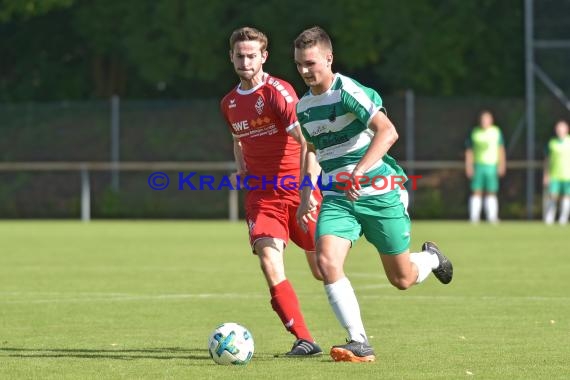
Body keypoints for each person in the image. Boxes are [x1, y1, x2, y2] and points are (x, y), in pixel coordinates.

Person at [293, 26, 453, 363]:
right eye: (299, 65)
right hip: (338, 197)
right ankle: (359, 342)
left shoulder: (348, 90)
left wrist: (360, 170)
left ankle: (432, 258)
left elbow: (388, 131)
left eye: (311, 63)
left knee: (402, 279)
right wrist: (307, 189)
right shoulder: (304, 106)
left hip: (379, 192)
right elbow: (311, 148)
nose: (305, 71)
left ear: (328, 58)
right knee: (326, 262)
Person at [220, 27, 323, 356]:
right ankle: (305, 339)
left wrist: (308, 191)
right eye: (240, 55)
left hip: (297, 192)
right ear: (231, 57)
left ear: (264, 57)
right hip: (262, 198)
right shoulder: (230, 102)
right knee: (268, 260)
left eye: (252, 55)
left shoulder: (278, 92)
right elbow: (239, 139)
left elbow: (308, 143)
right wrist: (241, 170)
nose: (245, 61)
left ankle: (422, 261)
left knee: (323, 268)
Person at [464, 110, 506, 223]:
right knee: (476, 191)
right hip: (478, 165)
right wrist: (469, 166)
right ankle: (474, 218)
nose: (485, 121)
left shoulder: (496, 132)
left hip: (492, 166)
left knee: (491, 191)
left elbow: (501, 149)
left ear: (491, 120)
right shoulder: (475, 132)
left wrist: (502, 164)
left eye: (487, 119)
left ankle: (492, 217)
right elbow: (469, 151)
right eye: (483, 119)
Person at [543, 120, 570, 225]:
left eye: (562, 128)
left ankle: (563, 219)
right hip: (554, 175)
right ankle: (550, 218)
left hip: (568, 175)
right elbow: (547, 160)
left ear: (567, 129)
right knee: (552, 196)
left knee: (566, 197)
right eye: (558, 128)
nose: (560, 131)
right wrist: (546, 175)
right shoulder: (552, 143)